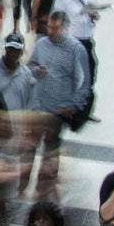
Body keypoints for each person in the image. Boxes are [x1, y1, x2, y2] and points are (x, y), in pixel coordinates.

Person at [24, 11, 91, 200]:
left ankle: (43, 188)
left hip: (57, 111)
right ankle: (22, 184)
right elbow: (28, 67)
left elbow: (85, 81)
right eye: (49, 27)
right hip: (37, 107)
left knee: (50, 151)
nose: (50, 31)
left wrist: (74, 105)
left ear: (65, 27)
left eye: (55, 28)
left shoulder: (76, 49)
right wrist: (36, 70)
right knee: (29, 148)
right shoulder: (41, 44)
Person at [51, 0, 100, 82]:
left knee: (91, 67)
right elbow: (55, 18)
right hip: (71, 40)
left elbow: (96, 12)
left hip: (87, 38)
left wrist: (94, 15)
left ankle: (88, 92)